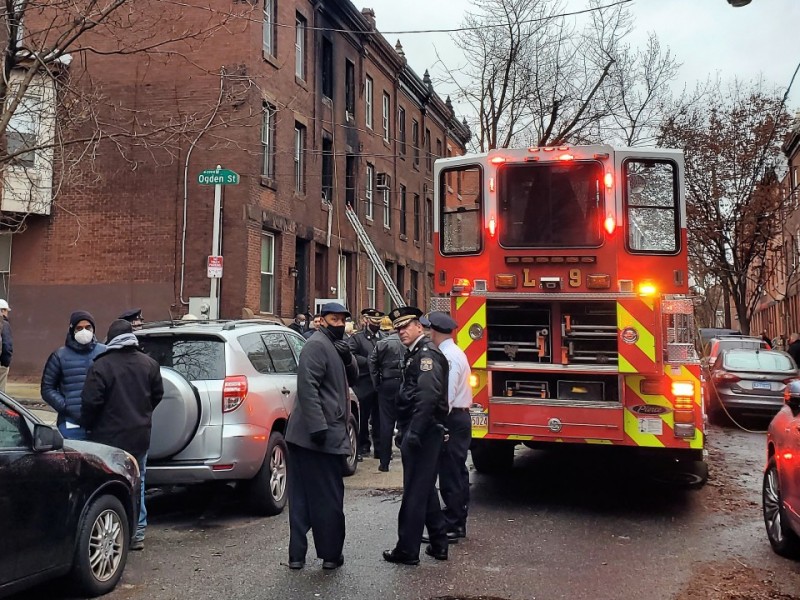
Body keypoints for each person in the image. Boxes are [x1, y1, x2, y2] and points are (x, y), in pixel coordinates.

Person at [285, 302, 358, 571]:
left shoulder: (334, 346)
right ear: (320, 320)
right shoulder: (316, 345)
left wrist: (348, 357)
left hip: (314, 435)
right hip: (318, 435)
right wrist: (318, 428)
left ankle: (299, 556)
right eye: (333, 319)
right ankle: (329, 555)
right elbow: (307, 387)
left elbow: (354, 378)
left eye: (341, 319)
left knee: (306, 496)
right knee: (327, 497)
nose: (338, 323)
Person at [81, 319, 164, 551]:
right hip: (139, 435)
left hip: (108, 437)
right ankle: (138, 532)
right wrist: (143, 414)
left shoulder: (101, 365)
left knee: (109, 485)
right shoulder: (149, 364)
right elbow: (158, 394)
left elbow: (90, 402)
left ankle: (115, 532)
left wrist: (88, 425)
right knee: (139, 481)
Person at [383, 306, 450, 566]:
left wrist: (414, 432)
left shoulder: (426, 355)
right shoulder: (417, 353)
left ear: (419, 326)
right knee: (423, 488)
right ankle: (439, 542)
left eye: (405, 327)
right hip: (420, 428)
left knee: (414, 491)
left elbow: (428, 396)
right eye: (398, 328)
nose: (401, 332)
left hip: (424, 430)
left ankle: (407, 550)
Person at [422, 312, 472, 541]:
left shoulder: (448, 358)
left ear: (434, 331)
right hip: (459, 418)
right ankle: (455, 518)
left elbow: (446, 396)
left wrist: (438, 424)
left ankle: (453, 524)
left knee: (451, 473)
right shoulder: (453, 352)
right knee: (456, 471)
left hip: (452, 420)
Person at [41, 311, 106, 440]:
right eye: (79, 328)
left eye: (88, 327)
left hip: (101, 422)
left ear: (94, 329)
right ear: (72, 330)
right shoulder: (59, 356)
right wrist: (66, 406)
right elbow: (47, 389)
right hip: (71, 424)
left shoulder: (104, 352)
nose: (84, 331)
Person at [369, 315, 405, 472]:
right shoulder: (406, 342)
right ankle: (407, 457)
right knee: (405, 421)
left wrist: (376, 382)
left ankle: (384, 462)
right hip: (403, 384)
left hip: (386, 383)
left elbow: (372, 363)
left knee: (386, 423)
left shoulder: (381, 343)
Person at [349, 308, 384, 458]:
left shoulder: (384, 337)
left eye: (378, 322)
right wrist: (368, 361)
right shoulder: (358, 338)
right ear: (366, 321)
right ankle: (363, 444)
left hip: (379, 383)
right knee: (363, 417)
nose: (376, 324)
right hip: (363, 382)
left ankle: (379, 447)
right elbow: (351, 354)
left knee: (379, 418)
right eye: (373, 321)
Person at [0, 299, 11, 392]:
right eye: (6, 311)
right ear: (2, 310)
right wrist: (5, 364)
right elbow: (6, 345)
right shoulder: (4, 324)